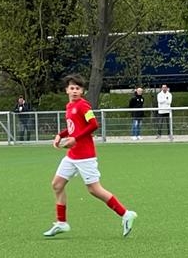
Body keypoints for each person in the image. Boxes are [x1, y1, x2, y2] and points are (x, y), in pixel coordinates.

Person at [43, 74, 137, 238]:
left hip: (85, 156)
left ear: (82, 91)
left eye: (78, 88)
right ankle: (61, 223)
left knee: (94, 189)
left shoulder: (83, 105)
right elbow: (73, 128)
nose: (74, 91)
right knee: (57, 185)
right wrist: (60, 135)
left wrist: (75, 139)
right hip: (72, 155)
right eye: (72, 88)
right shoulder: (69, 106)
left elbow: (93, 124)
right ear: (66, 90)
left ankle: (125, 214)